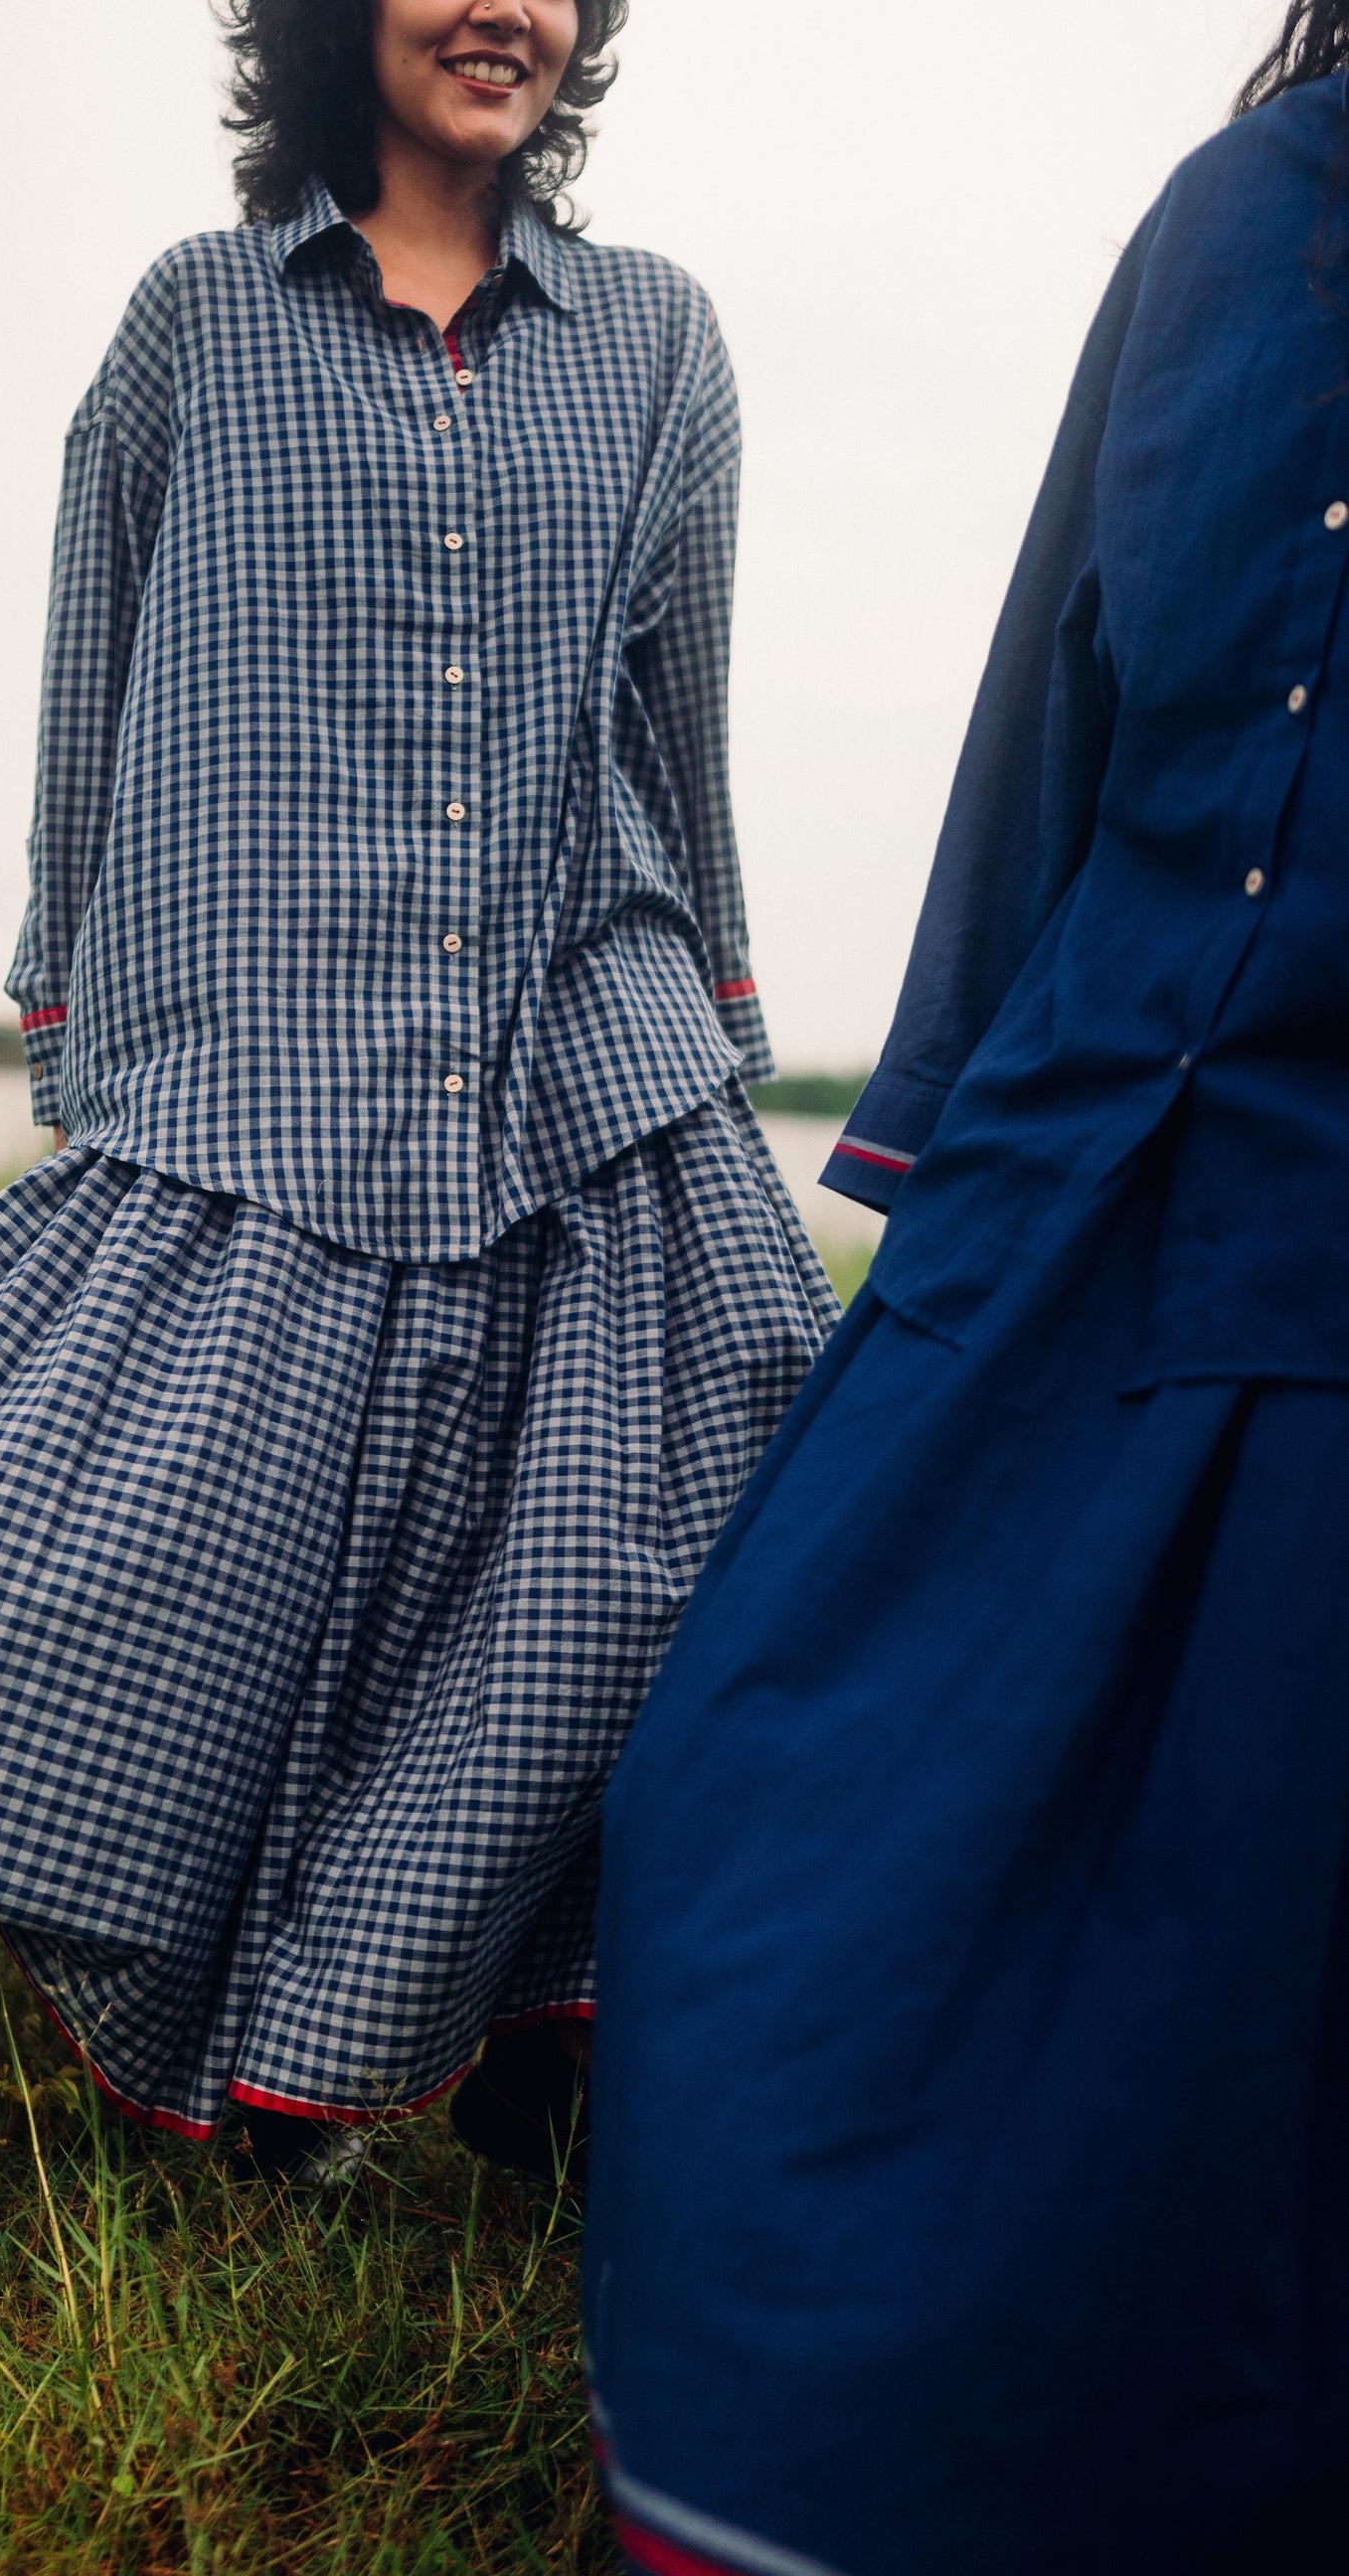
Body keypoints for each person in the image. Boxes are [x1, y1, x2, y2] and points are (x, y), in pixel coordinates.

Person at [0, 0, 835, 2185]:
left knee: (654, 1553)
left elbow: (685, 708)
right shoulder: (197, 324)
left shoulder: (664, 342)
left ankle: (531, 2039)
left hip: (589, 1060)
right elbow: (89, 676)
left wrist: (724, 1019)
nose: (507, 6)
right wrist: (78, 1031)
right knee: (95, 1563)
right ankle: (226, 2034)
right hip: (264, 1063)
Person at [587, 12, 1349, 2571]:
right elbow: (1056, 679)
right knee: (767, 1785)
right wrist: (943, 1124)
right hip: (1079, 1158)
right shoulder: (1232, 213)